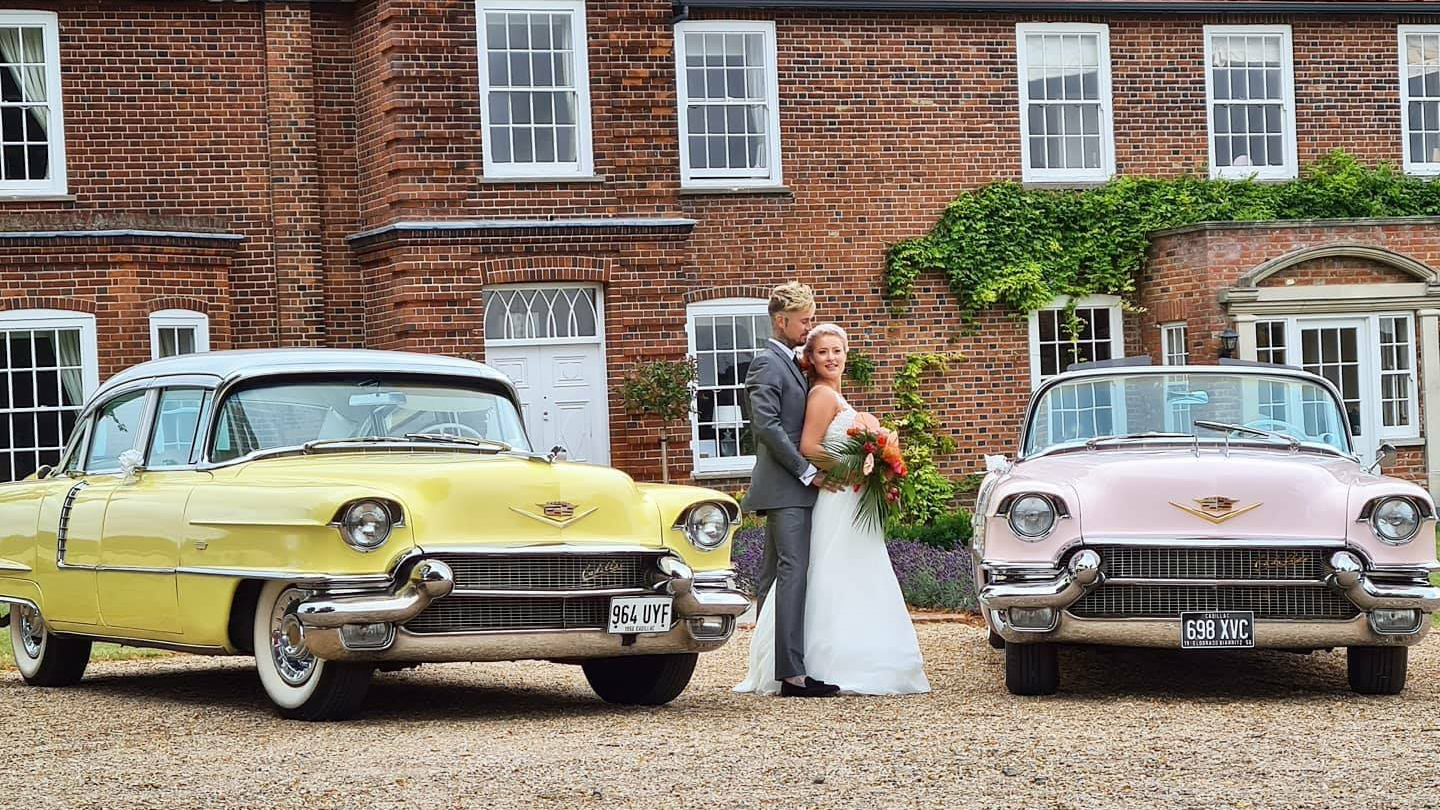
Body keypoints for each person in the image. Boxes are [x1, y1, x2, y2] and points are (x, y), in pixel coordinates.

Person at [735, 322, 930, 696]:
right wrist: (853, 467)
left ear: (847, 354)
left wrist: (879, 461)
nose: (831, 358)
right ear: (811, 357)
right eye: (822, 352)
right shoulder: (822, 395)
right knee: (831, 574)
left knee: (853, 574)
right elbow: (809, 447)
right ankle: (827, 662)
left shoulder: (837, 395)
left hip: (850, 499)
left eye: (836, 351)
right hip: (838, 495)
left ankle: (857, 656)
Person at [734, 282, 839, 698]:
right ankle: (792, 675)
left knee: (774, 579)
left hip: (789, 488)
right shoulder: (766, 363)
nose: (810, 327)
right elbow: (766, 427)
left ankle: (774, 667)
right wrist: (806, 471)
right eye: (805, 320)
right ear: (782, 321)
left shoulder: (792, 362)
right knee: (790, 575)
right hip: (785, 488)